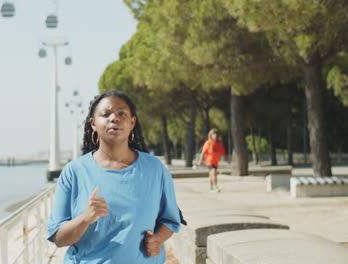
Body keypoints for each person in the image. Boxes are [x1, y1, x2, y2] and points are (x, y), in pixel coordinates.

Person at [46, 90, 181, 263]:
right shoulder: (74, 172)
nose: (114, 118)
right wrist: (85, 218)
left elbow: (170, 220)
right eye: (106, 114)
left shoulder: (155, 170)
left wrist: (158, 239)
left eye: (122, 113)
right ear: (93, 124)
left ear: (132, 122)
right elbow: (58, 237)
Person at [197, 128, 229, 192]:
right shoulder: (208, 143)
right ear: (211, 135)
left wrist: (226, 160)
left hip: (216, 162)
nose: (215, 136)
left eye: (216, 134)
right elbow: (203, 152)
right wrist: (200, 160)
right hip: (209, 161)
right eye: (213, 134)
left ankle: (211, 188)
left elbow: (223, 153)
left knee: (211, 175)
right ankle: (215, 186)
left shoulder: (219, 144)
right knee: (214, 173)